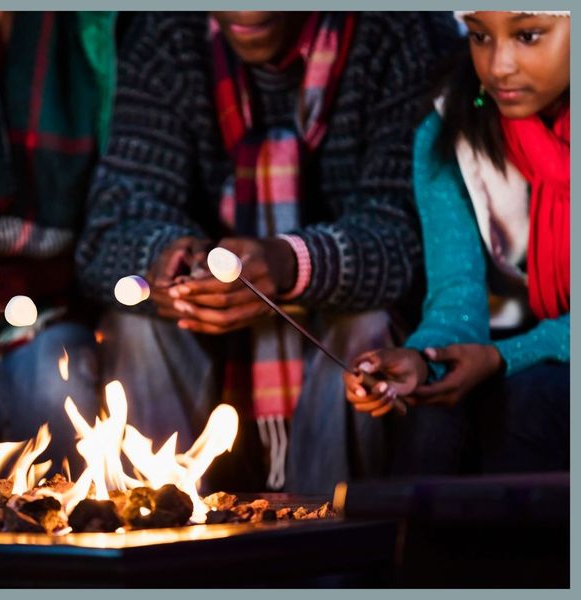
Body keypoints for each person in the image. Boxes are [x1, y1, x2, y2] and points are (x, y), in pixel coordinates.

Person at [76, 11, 459, 494]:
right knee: (136, 327)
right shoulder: (170, 33)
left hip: (337, 325)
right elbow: (110, 228)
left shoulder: (399, 31)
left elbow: (410, 234)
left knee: (365, 331)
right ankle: (165, 530)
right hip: (212, 346)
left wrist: (287, 263)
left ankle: (323, 548)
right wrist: (170, 262)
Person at [344, 10, 570, 475]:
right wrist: (424, 361)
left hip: (544, 350)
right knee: (432, 413)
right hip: (527, 335)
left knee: (535, 400)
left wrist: (503, 357)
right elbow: (456, 294)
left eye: (528, 35)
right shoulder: (453, 129)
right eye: (481, 36)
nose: (499, 65)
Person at [0, 11, 117, 477]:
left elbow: (122, 206)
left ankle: (55, 537)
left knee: (56, 381)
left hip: (36, 313)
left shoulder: (84, 31)